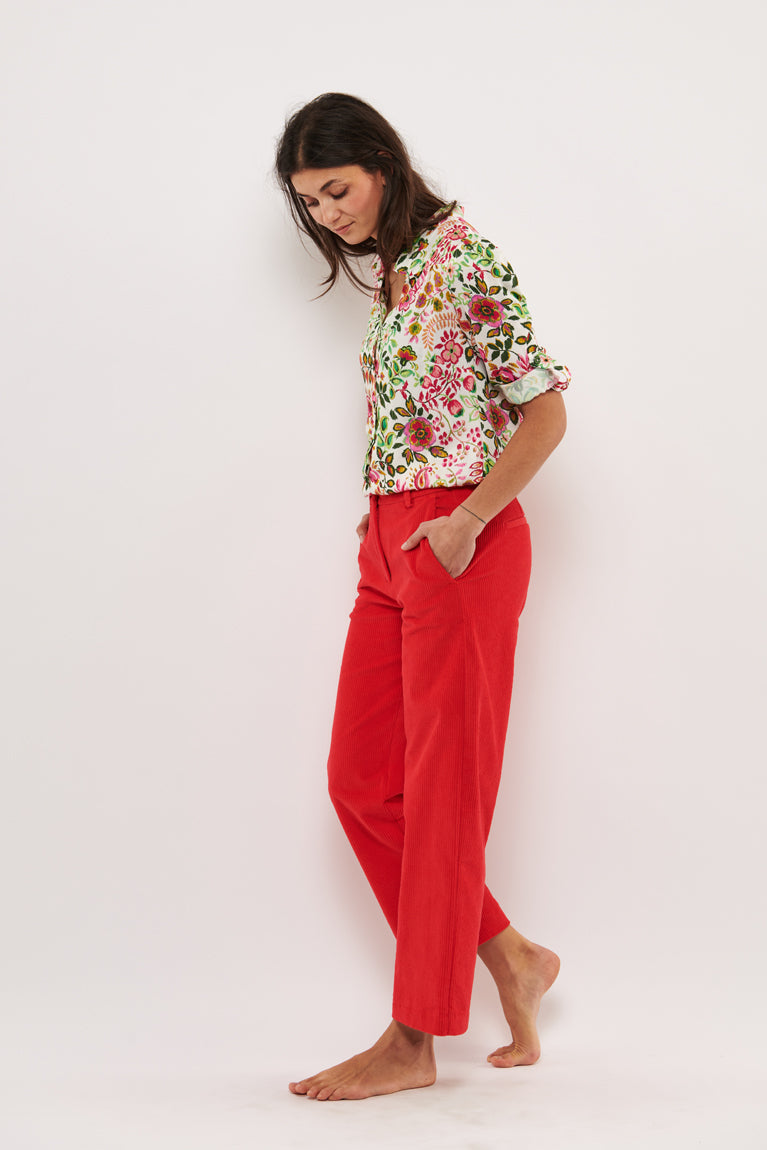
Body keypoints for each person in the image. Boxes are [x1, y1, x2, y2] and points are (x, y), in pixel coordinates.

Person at [275, 93, 570, 1102]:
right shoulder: (396, 274)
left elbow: (543, 414)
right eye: (311, 203)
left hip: (459, 542)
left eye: (337, 190)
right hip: (391, 542)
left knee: (442, 795)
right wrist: (381, 519)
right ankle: (510, 953)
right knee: (362, 782)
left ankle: (413, 1038)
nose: (328, 215)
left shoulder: (463, 257)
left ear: (382, 164)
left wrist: (464, 520)